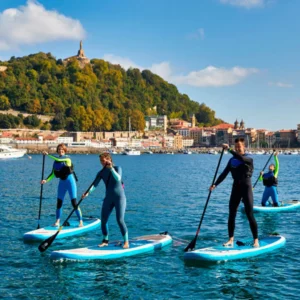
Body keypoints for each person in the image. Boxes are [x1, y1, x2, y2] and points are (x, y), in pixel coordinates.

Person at [210, 138, 259, 247]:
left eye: (239, 147)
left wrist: (229, 149)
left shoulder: (248, 159)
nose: (237, 148)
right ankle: (230, 239)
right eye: (236, 147)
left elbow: (240, 157)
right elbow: (224, 173)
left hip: (246, 188)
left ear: (243, 147)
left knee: (249, 214)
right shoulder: (232, 160)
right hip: (236, 188)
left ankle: (256, 240)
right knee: (232, 214)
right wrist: (215, 184)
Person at [82, 152, 129, 248]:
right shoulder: (101, 173)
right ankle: (105, 240)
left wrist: (111, 168)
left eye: (104, 161)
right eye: (101, 161)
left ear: (109, 160)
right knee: (103, 220)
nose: (102, 163)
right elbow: (94, 184)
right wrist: (87, 193)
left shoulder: (117, 168)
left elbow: (118, 178)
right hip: (108, 198)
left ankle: (126, 242)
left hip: (119, 198)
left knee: (120, 220)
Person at [41, 144, 83, 227]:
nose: (60, 151)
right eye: (59, 149)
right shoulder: (55, 162)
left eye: (62, 149)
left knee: (74, 202)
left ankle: (80, 221)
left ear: (65, 151)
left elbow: (57, 158)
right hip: (62, 183)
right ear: (57, 150)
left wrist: (48, 154)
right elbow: (53, 174)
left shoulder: (67, 159)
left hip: (70, 182)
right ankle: (57, 221)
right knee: (59, 202)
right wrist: (45, 180)